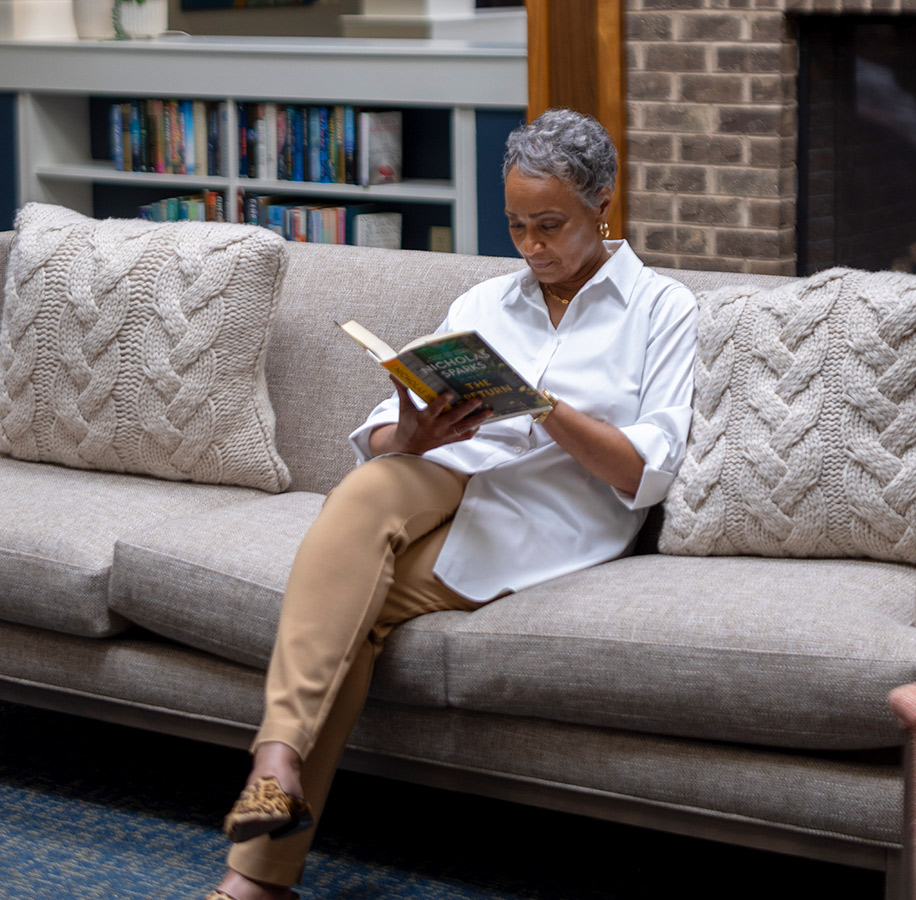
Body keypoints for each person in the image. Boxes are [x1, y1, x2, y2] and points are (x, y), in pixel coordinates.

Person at [206, 107, 698, 900]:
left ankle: (257, 873)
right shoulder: (485, 304)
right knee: (370, 482)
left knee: (350, 620)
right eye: (517, 227)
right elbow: (373, 440)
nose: (532, 248)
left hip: (545, 512)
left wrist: (543, 406)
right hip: (440, 473)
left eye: (551, 225)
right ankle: (276, 763)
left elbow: (650, 470)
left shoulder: (663, 310)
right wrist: (410, 429)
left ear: (602, 202)